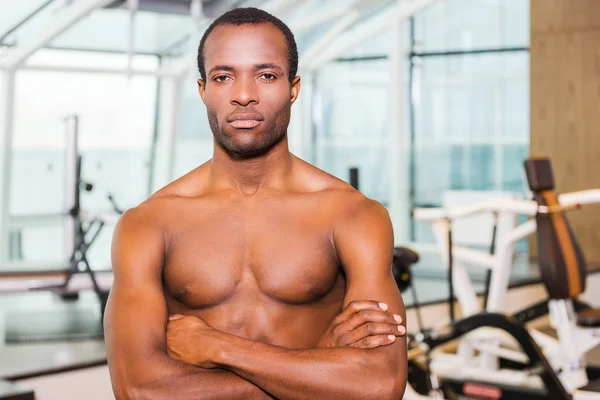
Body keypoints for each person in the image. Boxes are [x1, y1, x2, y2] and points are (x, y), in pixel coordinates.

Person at [104, 7, 407, 400]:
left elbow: (379, 385)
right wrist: (318, 364)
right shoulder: (149, 223)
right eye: (223, 77)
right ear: (203, 90)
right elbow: (140, 390)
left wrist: (217, 346)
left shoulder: (353, 215)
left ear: (293, 88)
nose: (244, 95)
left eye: (265, 75)